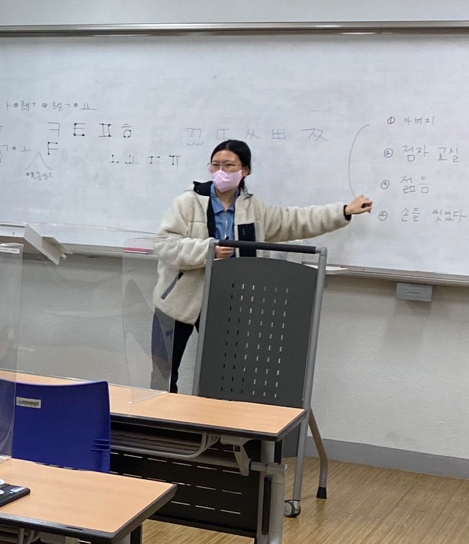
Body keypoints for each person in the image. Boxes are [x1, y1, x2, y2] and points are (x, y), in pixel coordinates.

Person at [153, 139, 372, 392]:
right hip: (178, 300)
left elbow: (295, 221)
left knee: (224, 375)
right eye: (215, 165)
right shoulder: (187, 202)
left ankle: (212, 417)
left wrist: (343, 211)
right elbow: (164, 244)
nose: (221, 171)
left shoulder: (253, 208)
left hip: (228, 302)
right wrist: (208, 250)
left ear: (244, 170)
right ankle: (163, 418)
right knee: (163, 374)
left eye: (229, 165)